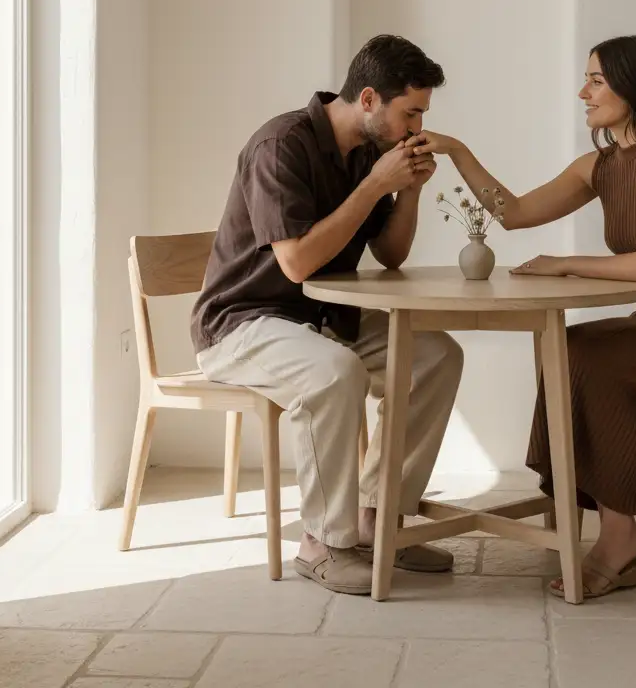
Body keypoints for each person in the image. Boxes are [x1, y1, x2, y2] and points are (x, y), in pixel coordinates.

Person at [413, 34, 636, 600]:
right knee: (569, 347)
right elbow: (515, 214)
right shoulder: (599, 166)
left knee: (591, 356)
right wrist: (457, 151)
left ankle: (619, 539)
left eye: (596, 80)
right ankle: (595, 519)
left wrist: (565, 264)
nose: (584, 92)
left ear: (635, 83)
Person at [190, 34, 464, 596]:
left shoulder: (368, 154)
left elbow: (390, 255)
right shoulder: (281, 144)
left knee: (435, 354)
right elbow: (294, 263)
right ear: (368, 99)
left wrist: (407, 190)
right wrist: (373, 187)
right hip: (243, 321)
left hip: (322, 317)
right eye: (409, 112)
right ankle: (321, 544)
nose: (415, 128)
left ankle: (375, 519)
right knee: (334, 373)